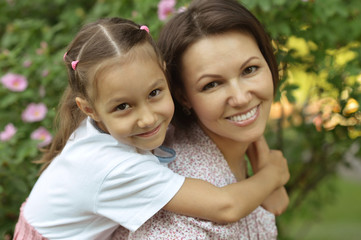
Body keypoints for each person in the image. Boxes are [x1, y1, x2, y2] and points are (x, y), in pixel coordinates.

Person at [13, 17, 288, 240]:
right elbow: (225, 206)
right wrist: (273, 174)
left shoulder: (105, 123)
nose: (147, 118)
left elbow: (243, 115)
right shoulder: (116, 167)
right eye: (123, 107)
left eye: (155, 93)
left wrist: (260, 153)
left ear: (166, 77)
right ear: (89, 110)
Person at [113, 0, 289, 239]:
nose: (240, 98)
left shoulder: (230, 143)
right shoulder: (187, 207)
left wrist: (268, 173)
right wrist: (273, 176)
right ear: (182, 95)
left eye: (250, 70)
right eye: (212, 85)